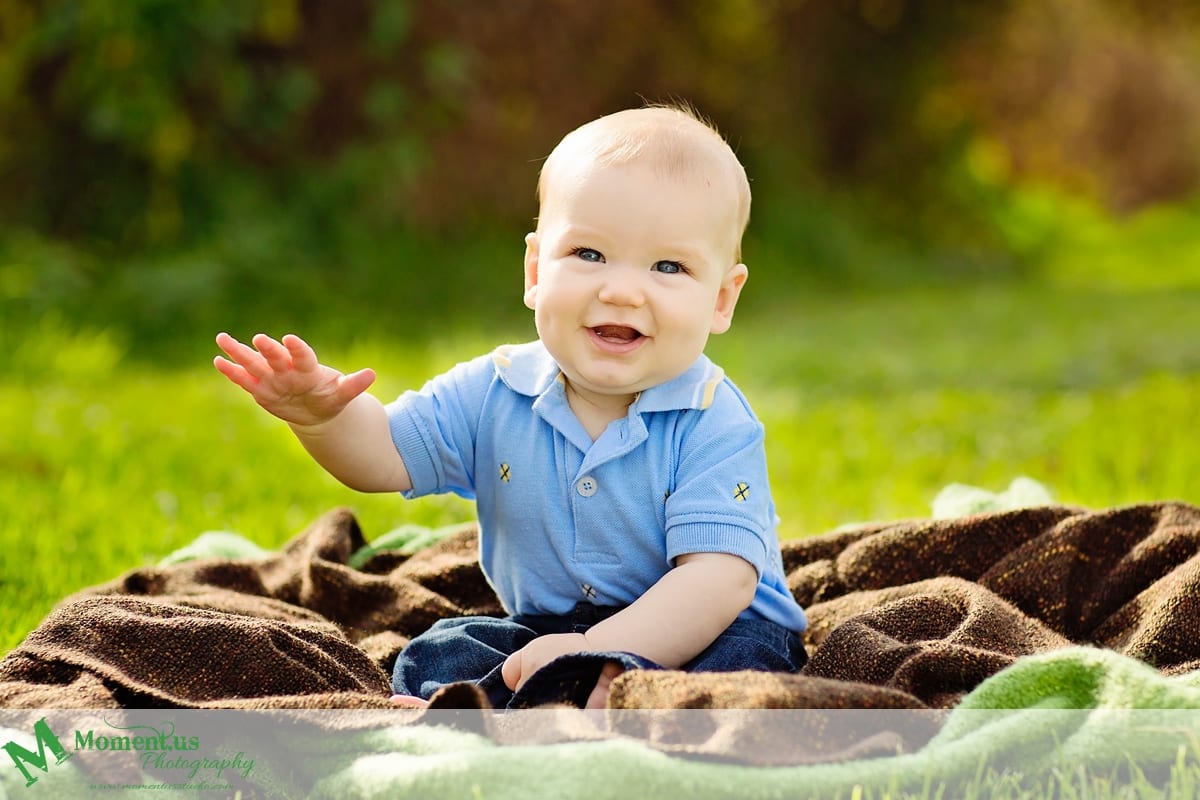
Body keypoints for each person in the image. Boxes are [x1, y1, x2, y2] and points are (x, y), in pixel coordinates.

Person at [213, 103, 808, 710]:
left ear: (721, 300)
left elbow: (718, 581)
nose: (622, 290)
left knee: (744, 670)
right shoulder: (497, 389)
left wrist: (601, 654)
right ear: (534, 270)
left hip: (707, 627)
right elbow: (385, 455)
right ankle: (486, 713)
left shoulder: (713, 419)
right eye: (589, 254)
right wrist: (324, 418)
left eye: (668, 266)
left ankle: (621, 705)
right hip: (549, 629)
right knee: (443, 650)